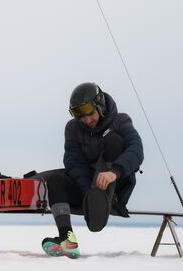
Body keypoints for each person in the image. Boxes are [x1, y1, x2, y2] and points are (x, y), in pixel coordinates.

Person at [38, 82, 144, 258]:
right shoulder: (72, 128)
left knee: (113, 141)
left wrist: (114, 172)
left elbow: (136, 150)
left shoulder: (121, 121)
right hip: (87, 187)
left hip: (115, 185)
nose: (87, 120)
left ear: (100, 106)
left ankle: (104, 199)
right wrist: (87, 191)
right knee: (55, 180)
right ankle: (67, 239)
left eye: (90, 114)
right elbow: (74, 162)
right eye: (81, 117)